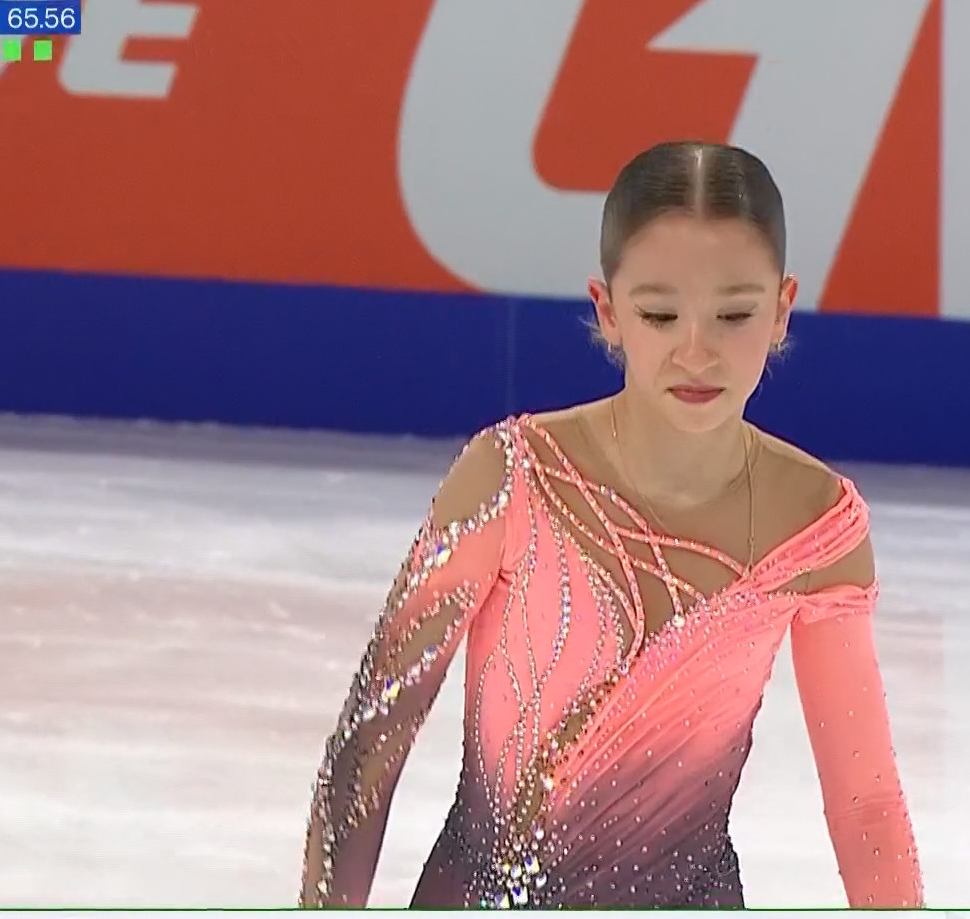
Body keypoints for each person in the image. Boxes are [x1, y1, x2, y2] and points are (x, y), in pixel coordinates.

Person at [300, 141, 922, 908]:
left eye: (734, 314)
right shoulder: (512, 478)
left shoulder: (815, 527)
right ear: (608, 311)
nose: (696, 351)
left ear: (782, 309)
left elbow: (866, 804)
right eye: (660, 314)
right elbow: (368, 748)